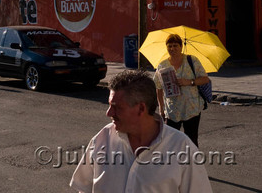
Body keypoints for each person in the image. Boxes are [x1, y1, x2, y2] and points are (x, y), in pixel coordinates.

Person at [70, 70, 212, 193]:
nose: (109, 113)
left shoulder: (182, 147)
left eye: (117, 107)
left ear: (141, 108)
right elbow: (84, 187)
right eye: (109, 105)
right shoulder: (101, 140)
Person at [153, 34, 210, 147]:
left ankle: (192, 163)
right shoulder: (162, 65)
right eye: (169, 46)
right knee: (171, 142)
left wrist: (189, 82)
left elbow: (205, 79)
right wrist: (161, 108)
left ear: (181, 47)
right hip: (172, 110)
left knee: (192, 140)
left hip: (191, 108)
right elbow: (158, 87)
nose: (172, 49)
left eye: (175, 46)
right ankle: (174, 163)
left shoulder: (191, 61)